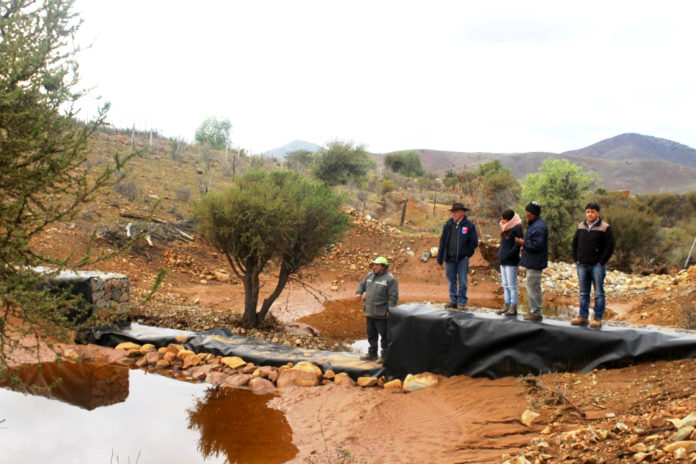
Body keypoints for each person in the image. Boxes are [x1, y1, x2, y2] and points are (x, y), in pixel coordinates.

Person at [570, 202, 615, 329]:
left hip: (597, 266)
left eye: (592, 212)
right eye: (588, 212)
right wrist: (576, 259)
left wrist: (601, 261)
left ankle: (597, 318)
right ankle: (583, 317)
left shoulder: (605, 227)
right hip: (582, 265)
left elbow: (610, 246)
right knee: (583, 293)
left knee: (599, 293)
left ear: (598, 213)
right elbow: (575, 243)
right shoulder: (581, 226)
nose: (590, 214)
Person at [355, 256, 399, 361]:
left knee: (385, 336)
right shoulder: (369, 275)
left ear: (383, 267)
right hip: (369, 311)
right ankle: (372, 354)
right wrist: (358, 292)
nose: (374, 267)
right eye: (374, 265)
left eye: (377, 265)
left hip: (381, 313)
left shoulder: (390, 279)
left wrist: (390, 310)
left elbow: (393, 296)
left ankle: (385, 356)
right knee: (371, 334)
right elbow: (362, 285)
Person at [437, 202, 479, 310]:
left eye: (456, 212)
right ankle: (453, 301)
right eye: (453, 212)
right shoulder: (448, 225)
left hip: (462, 259)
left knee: (462, 280)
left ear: (462, 212)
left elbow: (474, 242)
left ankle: (462, 302)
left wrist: (467, 253)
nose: (453, 214)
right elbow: (442, 242)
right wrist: (440, 258)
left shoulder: (469, 226)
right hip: (450, 258)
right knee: (451, 280)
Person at [516, 201, 548, 321]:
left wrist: (523, 242)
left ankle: (536, 312)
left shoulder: (539, 227)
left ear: (533, 213)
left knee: (533, 287)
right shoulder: (534, 224)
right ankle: (534, 311)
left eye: (527, 212)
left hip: (536, 262)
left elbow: (537, 245)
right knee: (532, 287)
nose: (525, 214)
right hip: (532, 261)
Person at [496, 209, 524, 316]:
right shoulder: (505, 229)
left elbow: (517, 245)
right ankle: (506, 304)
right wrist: (499, 252)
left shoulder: (517, 229)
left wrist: (509, 254)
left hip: (511, 261)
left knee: (512, 285)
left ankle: (513, 306)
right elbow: (503, 243)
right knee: (505, 284)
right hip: (503, 260)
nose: (502, 221)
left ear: (510, 219)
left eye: (505, 219)